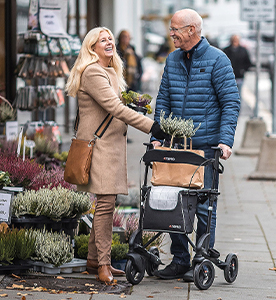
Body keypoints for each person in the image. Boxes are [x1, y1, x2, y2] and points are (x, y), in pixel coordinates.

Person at [65, 27, 167, 284]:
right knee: (106, 205)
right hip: (99, 147)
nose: (109, 42)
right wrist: (151, 125)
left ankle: (91, 260)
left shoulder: (110, 71)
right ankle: (103, 265)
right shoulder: (93, 72)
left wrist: (138, 105)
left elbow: (117, 106)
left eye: (110, 39)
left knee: (105, 205)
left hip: (109, 146)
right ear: (92, 47)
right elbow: (114, 107)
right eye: (103, 40)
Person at [151, 9, 240, 281]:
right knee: (171, 203)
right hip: (175, 147)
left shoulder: (218, 60)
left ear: (192, 30)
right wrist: (157, 135)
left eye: (175, 28)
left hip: (205, 148)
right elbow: (163, 100)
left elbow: (230, 103)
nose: (171, 33)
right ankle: (179, 259)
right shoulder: (173, 59)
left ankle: (201, 259)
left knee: (203, 207)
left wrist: (225, 141)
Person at [223, 34, 252, 101]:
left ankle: (237, 110)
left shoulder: (243, 50)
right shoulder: (226, 50)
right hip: (228, 77)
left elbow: (248, 62)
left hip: (239, 76)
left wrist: (243, 70)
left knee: (238, 95)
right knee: (229, 95)